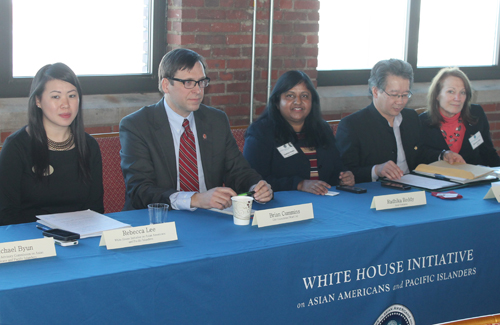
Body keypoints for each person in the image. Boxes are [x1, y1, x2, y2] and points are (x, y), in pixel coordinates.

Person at [120, 48, 272, 211]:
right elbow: (140, 190)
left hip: (209, 217)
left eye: (201, 82)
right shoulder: (137, 125)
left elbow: (237, 171)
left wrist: (255, 186)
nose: (198, 90)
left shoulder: (216, 121)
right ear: (166, 85)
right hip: (157, 220)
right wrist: (194, 199)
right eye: (188, 83)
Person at [0, 63, 104, 225]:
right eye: (56, 96)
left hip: (79, 239)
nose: (65, 104)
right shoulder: (16, 147)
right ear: (38, 101)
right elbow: (6, 214)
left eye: (71, 96)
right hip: (32, 241)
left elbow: (95, 209)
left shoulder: (89, 146)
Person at [335, 59, 462, 184]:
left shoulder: (410, 117)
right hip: (374, 194)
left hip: (413, 189)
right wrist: (376, 170)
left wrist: (443, 155)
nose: (400, 101)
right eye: (394, 94)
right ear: (375, 91)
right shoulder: (352, 125)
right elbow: (345, 173)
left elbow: (420, 153)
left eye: (405, 94)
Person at [243, 70, 354, 195]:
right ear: (277, 102)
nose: (298, 101)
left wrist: (344, 177)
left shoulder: (323, 129)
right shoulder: (260, 133)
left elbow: (337, 169)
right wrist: (298, 184)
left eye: (305, 96)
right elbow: (252, 182)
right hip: (282, 207)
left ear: (312, 102)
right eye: (290, 96)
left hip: (326, 203)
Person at [419, 67, 500, 167]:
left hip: (474, 179)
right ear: (437, 95)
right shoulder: (422, 122)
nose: (458, 98)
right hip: (438, 180)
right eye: (451, 92)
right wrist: (443, 155)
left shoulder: (476, 113)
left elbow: (488, 154)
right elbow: (419, 157)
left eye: (462, 92)